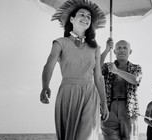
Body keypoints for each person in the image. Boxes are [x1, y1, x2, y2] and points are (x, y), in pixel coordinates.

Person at [39, 0, 109, 139]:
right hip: (67, 93)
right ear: (72, 19)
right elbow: (49, 65)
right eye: (82, 14)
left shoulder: (95, 48)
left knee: (87, 136)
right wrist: (45, 85)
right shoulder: (60, 43)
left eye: (89, 17)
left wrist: (104, 103)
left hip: (90, 93)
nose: (86, 18)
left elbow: (99, 77)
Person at [100, 39, 143, 140]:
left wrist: (117, 71)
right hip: (109, 109)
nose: (122, 50)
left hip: (129, 110)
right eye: (119, 48)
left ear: (130, 51)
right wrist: (106, 49)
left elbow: (135, 80)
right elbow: (96, 68)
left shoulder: (136, 68)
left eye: (125, 48)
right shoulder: (108, 67)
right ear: (114, 51)